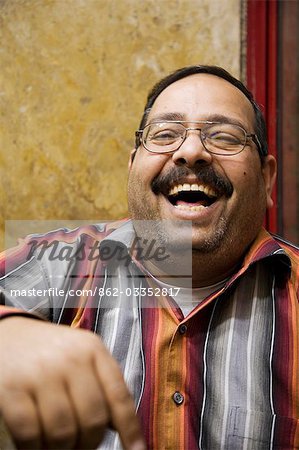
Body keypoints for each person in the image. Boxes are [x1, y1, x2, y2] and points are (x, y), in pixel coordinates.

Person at [0, 65, 298, 450]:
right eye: (165, 134)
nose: (191, 151)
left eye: (224, 137)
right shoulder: (61, 263)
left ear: (267, 178)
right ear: (132, 168)